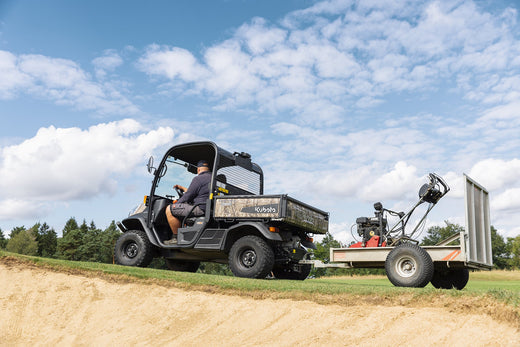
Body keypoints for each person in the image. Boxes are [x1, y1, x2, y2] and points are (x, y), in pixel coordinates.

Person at [164, 159, 212, 245]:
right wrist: (182, 188)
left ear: (198, 169)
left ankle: (175, 238)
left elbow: (188, 196)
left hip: (199, 208)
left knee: (169, 209)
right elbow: (196, 191)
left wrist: (177, 204)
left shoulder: (198, 178)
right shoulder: (212, 178)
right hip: (208, 208)